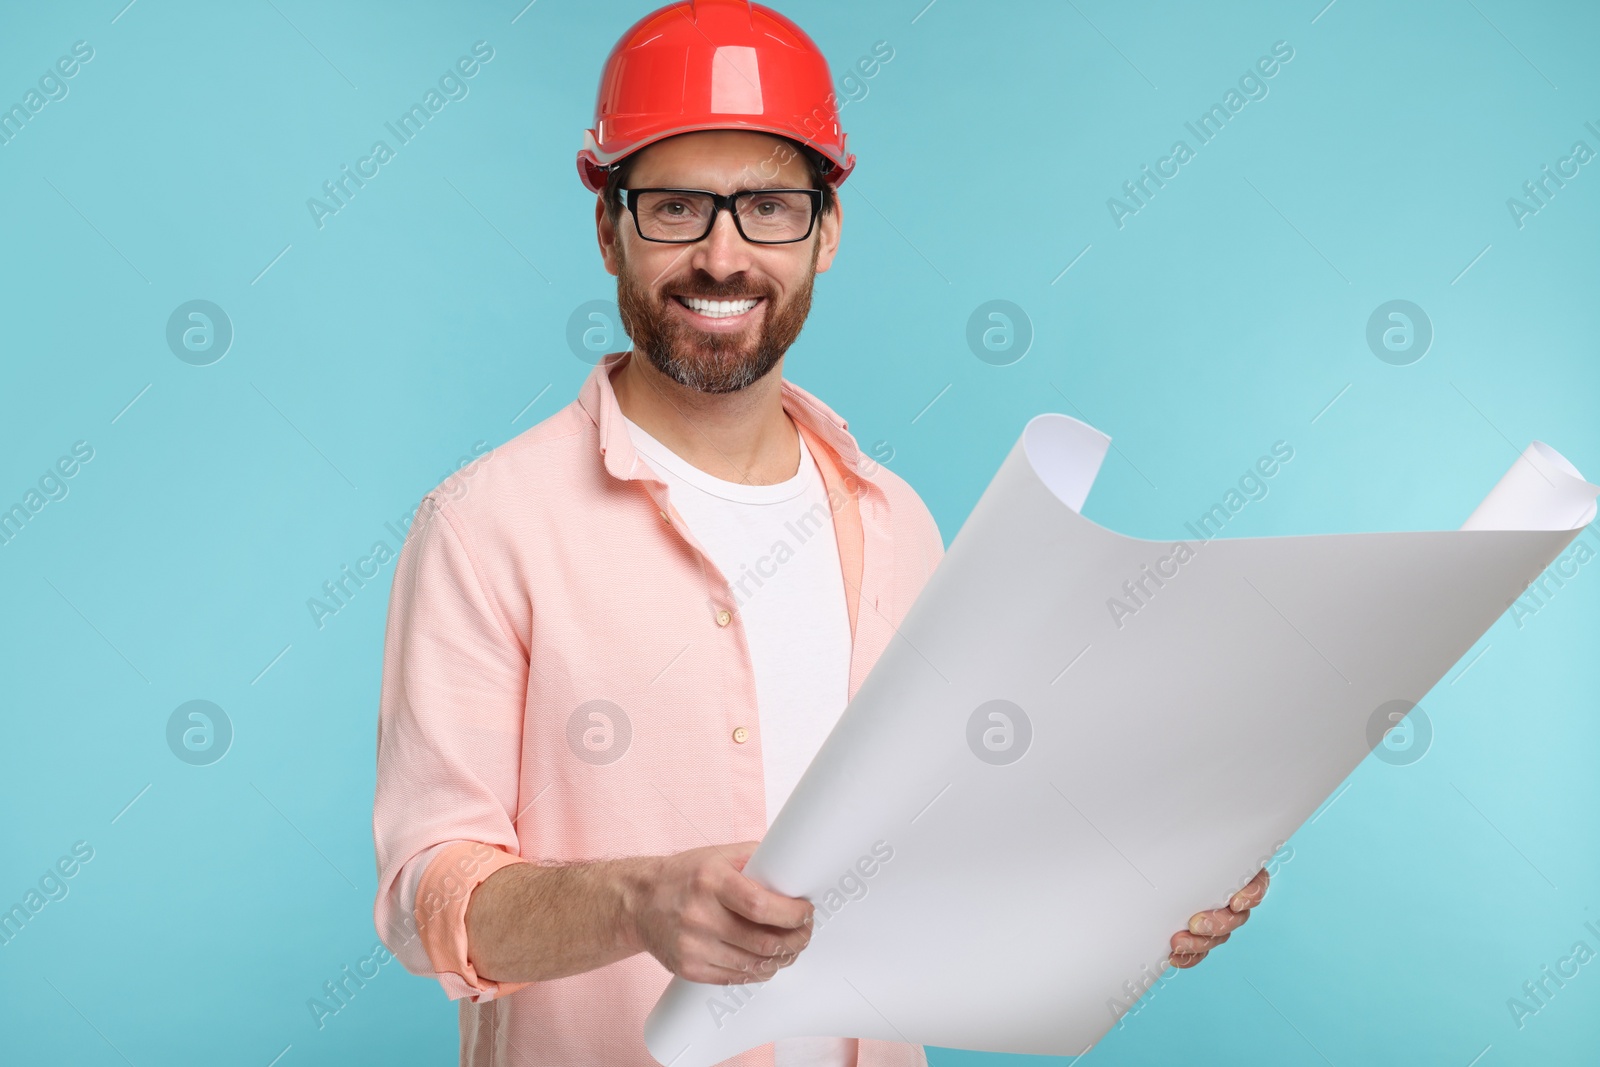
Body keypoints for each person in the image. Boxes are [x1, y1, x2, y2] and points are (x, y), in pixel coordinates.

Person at [371, 2, 1269, 1065]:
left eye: (767, 208)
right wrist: (634, 900)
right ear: (606, 225)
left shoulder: (895, 525)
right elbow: (429, 899)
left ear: (826, 229)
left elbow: (939, 865)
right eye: (673, 207)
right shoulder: (485, 527)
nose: (721, 255)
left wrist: (1123, 895)